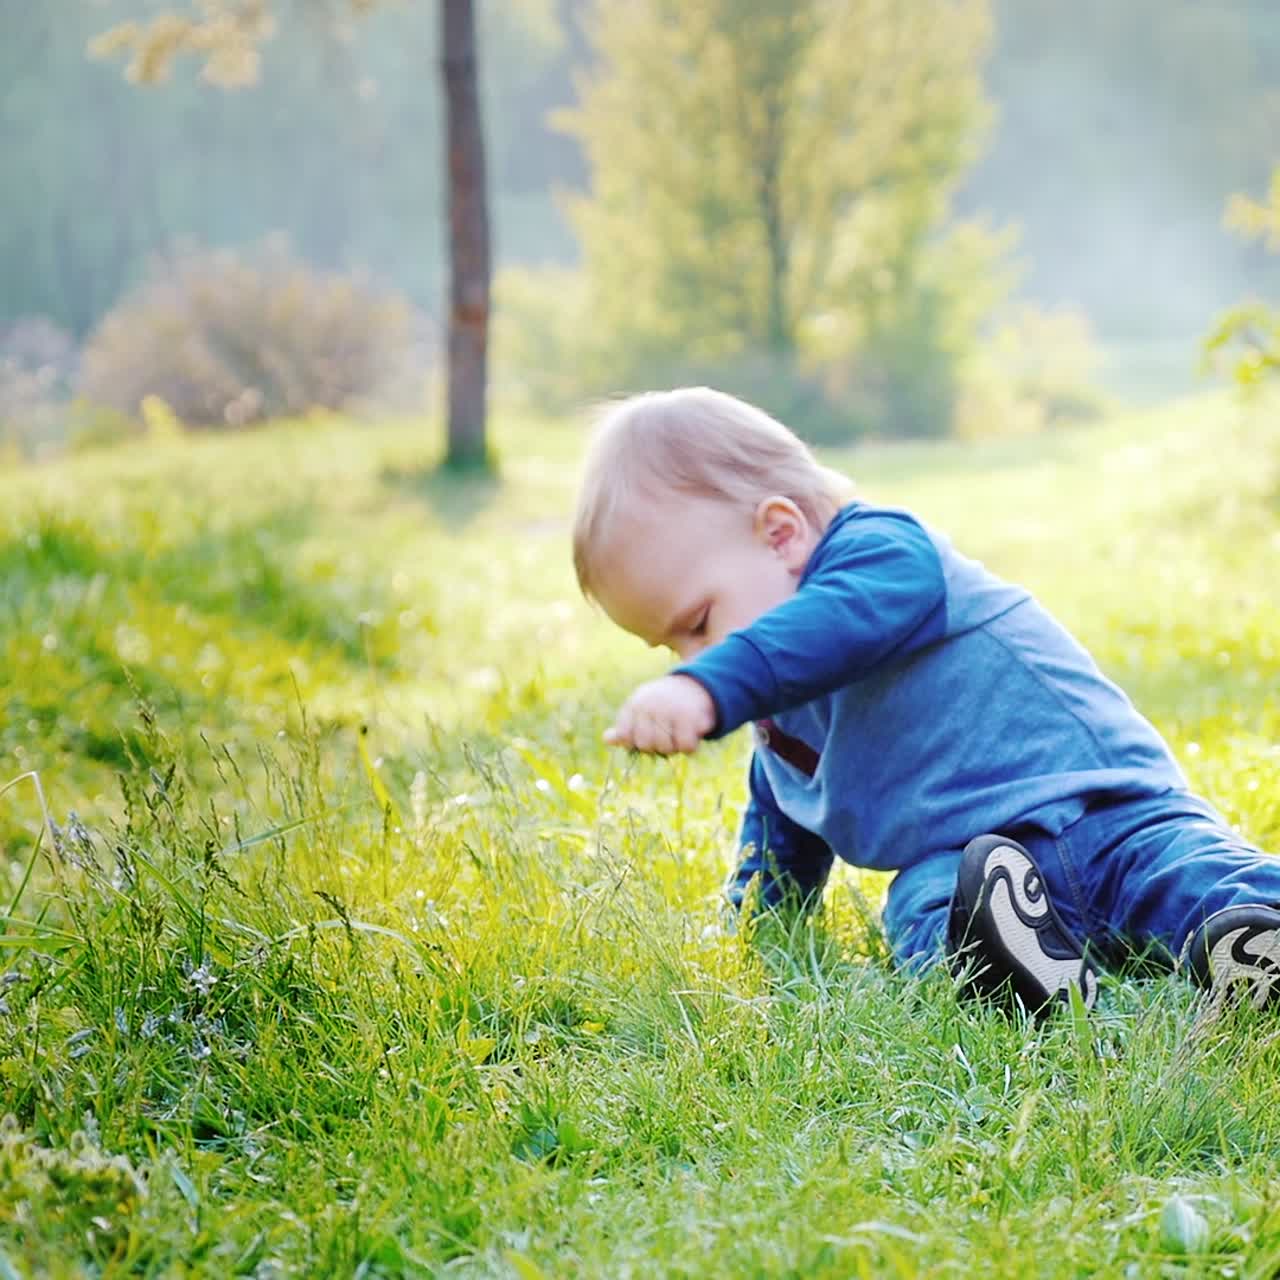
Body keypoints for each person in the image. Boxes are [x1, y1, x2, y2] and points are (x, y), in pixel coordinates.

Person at [571, 386, 1280, 1013]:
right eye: (674, 650)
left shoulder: (882, 557)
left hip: (1109, 819)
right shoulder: (775, 686)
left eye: (698, 624)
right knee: (920, 905)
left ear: (781, 534)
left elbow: (829, 624)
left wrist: (706, 685)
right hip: (976, 867)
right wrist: (760, 915)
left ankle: (1253, 936)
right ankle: (1016, 982)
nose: (701, 657)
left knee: (1186, 874)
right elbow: (786, 799)